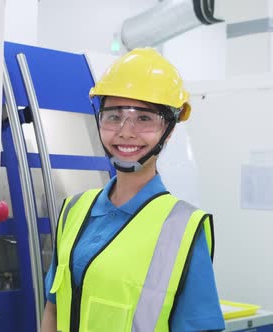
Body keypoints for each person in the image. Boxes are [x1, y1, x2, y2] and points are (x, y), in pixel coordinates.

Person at [41, 48, 225, 332]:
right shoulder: (73, 210)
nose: (126, 131)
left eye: (144, 118)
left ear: (170, 129)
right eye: (114, 116)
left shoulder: (182, 228)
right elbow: (53, 309)